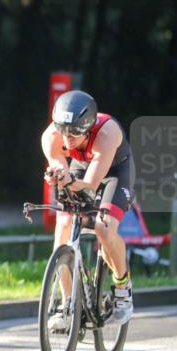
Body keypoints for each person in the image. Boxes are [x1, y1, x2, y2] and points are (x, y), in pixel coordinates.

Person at [41, 90, 135, 327]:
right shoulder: (51, 136)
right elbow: (62, 170)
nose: (67, 138)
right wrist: (57, 176)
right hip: (81, 167)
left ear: (89, 127)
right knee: (62, 226)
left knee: (104, 228)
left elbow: (92, 183)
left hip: (115, 172)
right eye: (63, 130)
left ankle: (123, 288)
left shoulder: (107, 132)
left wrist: (70, 181)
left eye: (74, 132)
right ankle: (68, 304)